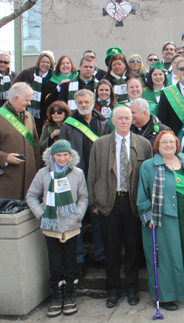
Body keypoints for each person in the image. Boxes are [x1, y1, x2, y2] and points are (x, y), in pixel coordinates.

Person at [137, 130, 184, 311]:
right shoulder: (149, 166)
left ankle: (182, 289)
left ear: (177, 144)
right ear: (158, 146)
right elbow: (142, 196)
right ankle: (165, 296)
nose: (169, 145)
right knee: (165, 257)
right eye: (164, 143)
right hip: (162, 219)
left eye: (172, 142)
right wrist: (148, 217)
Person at [87, 105, 153, 308]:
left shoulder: (143, 144)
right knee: (112, 249)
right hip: (109, 202)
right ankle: (113, 290)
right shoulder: (99, 144)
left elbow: (149, 176)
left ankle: (132, 289)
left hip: (133, 203)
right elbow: (92, 174)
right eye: (120, 118)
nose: (124, 121)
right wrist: (93, 203)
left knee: (133, 249)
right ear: (112, 121)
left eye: (127, 118)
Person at [26, 140, 88, 317]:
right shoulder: (43, 174)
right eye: (58, 155)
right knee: (54, 262)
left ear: (70, 155)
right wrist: (42, 214)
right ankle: (56, 296)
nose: (62, 158)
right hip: (51, 225)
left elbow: (83, 196)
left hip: (71, 225)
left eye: (65, 155)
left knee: (70, 262)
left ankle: (69, 295)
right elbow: (31, 196)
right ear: (52, 156)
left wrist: (78, 214)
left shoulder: (77, 173)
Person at [59, 89, 111, 277]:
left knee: (99, 219)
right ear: (75, 103)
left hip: (99, 178)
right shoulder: (68, 125)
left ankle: (101, 254)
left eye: (86, 101)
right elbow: (61, 154)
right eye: (79, 102)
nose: (83, 105)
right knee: (77, 220)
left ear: (93, 101)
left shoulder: (103, 122)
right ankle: (79, 258)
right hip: (76, 179)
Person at [0, 82, 40, 200]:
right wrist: (5, 158)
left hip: (30, 178)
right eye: (27, 100)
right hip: (8, 180)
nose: (29, 103)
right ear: (16, 98)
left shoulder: (29, 117)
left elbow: (36, 146)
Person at [13, 51, 54, 134]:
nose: (45, 64)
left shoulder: (53, 77)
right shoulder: (27, 73)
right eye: (43, 61)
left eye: (48, 62)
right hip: (26, 109)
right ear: (38, 62)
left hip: (44, 112)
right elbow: (14, 86)